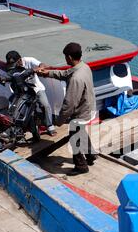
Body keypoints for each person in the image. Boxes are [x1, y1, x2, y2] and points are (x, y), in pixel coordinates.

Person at [40, 42, 97, 175]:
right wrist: (47, 73)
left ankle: (81, 166)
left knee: (74, 138)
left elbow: (69, 105)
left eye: (66, 57)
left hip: (81, 113)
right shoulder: (84, 67)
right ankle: (91, 155)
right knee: (81, 132)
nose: (65, 59)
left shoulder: (76, 79)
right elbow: (65, 73)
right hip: (89, 107)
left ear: (70, 57)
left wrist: (59, 121)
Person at [5, 51, 57, 136]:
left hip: (36, 87)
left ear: (19, 60)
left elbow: (42, 64)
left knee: (45, 105)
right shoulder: (10, 68)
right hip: (23, 91)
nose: (13, 66)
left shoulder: (29, 60)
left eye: (14, 63)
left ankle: (49, 126)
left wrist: (38, 68)